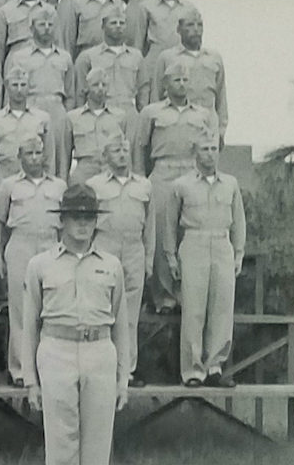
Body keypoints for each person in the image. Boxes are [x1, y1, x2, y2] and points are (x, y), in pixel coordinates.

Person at [25, 184, 129, 465]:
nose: (82, 224)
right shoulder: (41, 265)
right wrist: (30, 379)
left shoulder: (112, 266)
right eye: (75, 217)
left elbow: (122, 325)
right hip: (57, 350)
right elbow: (29, 325)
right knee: (61, 447)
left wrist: (123, 377)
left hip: (99, 351)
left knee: (97, 447)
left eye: (89, 217)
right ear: (63, 221)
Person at [132, 63, 219, 311]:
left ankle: (187, 293)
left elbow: (210, 147)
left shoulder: (203, 114)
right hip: (163, 172)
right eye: (177, 80)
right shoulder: (151, 113)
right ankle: (163, 297)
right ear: (166, 84)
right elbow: (140, 147)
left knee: (187, 232)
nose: (182, 84)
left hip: (191, 171)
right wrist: (141, 178)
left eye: (185, 80)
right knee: (161, 234)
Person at [166, 134, 246, 388]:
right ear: (195, 153)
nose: (210, 153)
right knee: (194, 310)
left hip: (222, 244)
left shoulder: (230, 184)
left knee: (221, 309)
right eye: (204, 148)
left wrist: (238, 253)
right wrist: (171, 256)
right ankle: (192, 370)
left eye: (213, 148)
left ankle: (215, 367)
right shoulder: (181, 185)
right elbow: (170, 224)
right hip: (194, 243)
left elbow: (239, 221)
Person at [0, 136, 66, 387]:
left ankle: (47, 367)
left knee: (51, 307)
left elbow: (65, 224)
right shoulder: (9, 186)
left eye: (38, 153)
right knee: (21, 309)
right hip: (20, 245)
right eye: (29, 154)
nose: (34, 158)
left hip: (50, 244)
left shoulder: (59, 185)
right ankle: (21, 370)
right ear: (19, 158)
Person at [87, 136, 154, 388]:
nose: (122, 154)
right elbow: (88, 224)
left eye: (125, 150)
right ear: (105, 156)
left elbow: (150, 226)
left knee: (130, 315)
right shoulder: (95, 185)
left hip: (134, 248)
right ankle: (101, 368)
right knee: (101, 309)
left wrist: (148, 259)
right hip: (105, 245)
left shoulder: (144, 185)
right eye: (116, 150)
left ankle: (126, 370)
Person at [6, 4, 74, 175]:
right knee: (32, 152)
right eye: (42, 24)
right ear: (32, 28)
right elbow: (11, 87)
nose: (46, 28)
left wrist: (66, 115)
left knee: (59, 157)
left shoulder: (64, 57)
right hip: (32, 106)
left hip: (57, 107)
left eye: (50, 25)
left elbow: (71, 92)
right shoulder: (19, 57)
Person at [0, 64, 57, 201]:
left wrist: (49, 183)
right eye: (15, 85)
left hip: (32, 178)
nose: (19, 90)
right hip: (3, 175)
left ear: (29, 87)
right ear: (7, 87)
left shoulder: (42, 118)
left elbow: (49, 157)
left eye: (23, 85)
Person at [152, 8, 228, 136]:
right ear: (179, 29)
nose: (196, 29)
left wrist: (221, 129)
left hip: (208, 126)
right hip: (177, 124)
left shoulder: (214, 58)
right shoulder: (167, 57)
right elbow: (156, 95)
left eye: (200, 25)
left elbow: (221, 97)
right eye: (190, 25)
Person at [71, 2, 144, 112]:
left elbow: (143, 90)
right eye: (113, 23)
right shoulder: (88, 57)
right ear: (103, 26)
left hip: (128, 111)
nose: (118, 26)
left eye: (122, 23)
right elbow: (80, 93)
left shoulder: (136, 56)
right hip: (102, 113)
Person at [66, 70, 133, 183]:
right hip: (85, 169)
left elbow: (128, 151)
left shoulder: (120, 116)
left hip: (110, 169)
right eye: (95, 85)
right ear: (86, 88)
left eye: (104, 85)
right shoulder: (73, 117)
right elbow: (65, 154)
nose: (100, 88)